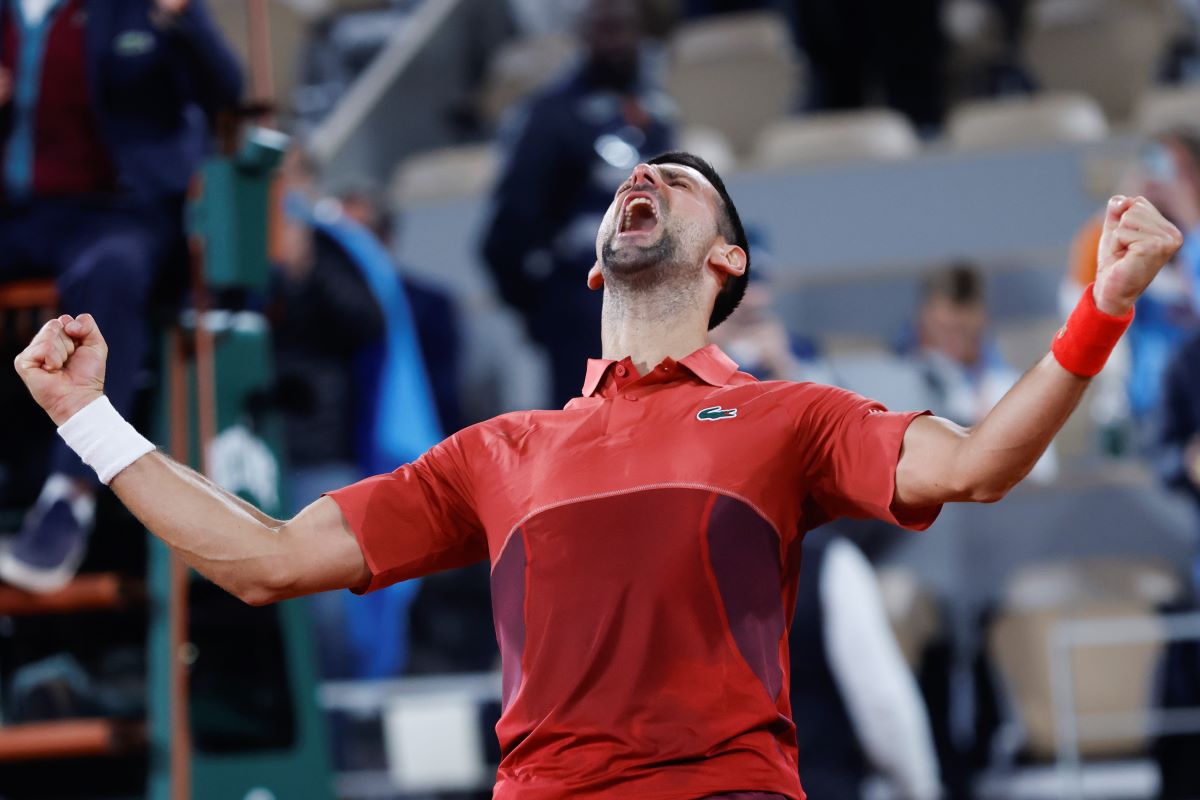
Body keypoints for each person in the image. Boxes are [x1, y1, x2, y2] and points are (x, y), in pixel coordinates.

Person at [12, 152, 1181, 798]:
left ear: (726, 258)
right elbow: (262, 557)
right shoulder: (498, 452)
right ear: (591, 264)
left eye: (674, 177)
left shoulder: (794, 415)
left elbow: (977, 464)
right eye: (633, 178)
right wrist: (90, 417)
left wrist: (1102, 309)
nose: (642, 180)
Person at [0, 0, 241, 592]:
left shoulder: (133, 8)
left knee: (105, 276)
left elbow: (224, 90)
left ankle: (69, 500)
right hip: (14, 213)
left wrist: (183, 21)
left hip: (116, 208)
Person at [482, 0, 674, 408]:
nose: (616, 41)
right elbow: (509, 229)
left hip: (656, 307)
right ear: (584, 34)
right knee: (591, 437)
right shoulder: (552, 117)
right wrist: (545, 308)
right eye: (603, 28)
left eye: (624, 27)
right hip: (585, 303)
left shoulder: (656, 113)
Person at [790, 527, 941, 800]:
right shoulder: (827, 562)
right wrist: (920, 789)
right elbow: (882, 703)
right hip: (818, 781)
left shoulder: (707, 558)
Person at [907, 264, 1057, 481]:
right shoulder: (903, 382)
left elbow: (1040, 477)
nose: (954, 338)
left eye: (963, 327)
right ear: (925, 320)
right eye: (945, 328)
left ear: (982, 317)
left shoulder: (1011, 387)